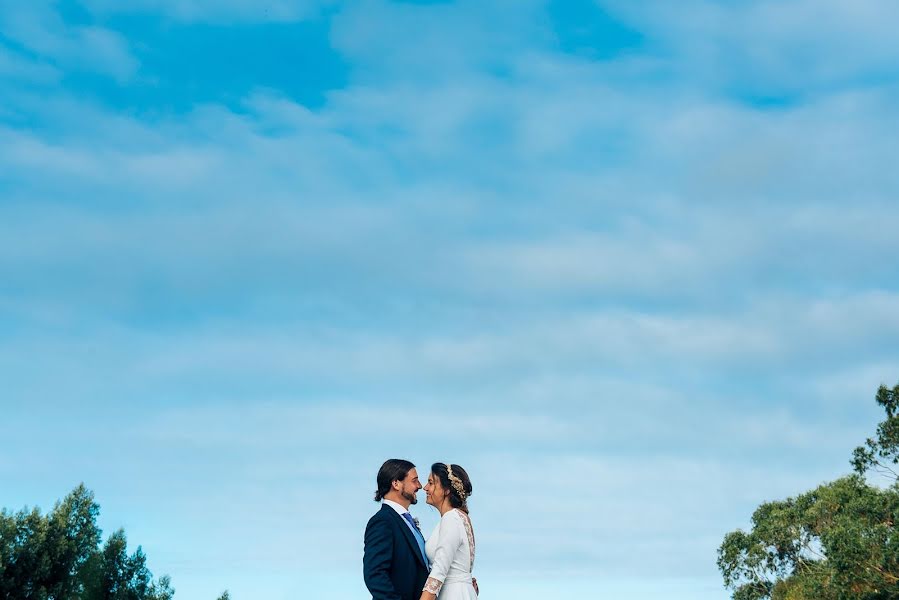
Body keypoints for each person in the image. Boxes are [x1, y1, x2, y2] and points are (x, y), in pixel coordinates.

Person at [363, 459, 430, 600]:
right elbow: (375, 574)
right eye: (414, 480)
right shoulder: (383, 521)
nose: (420, 486)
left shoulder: (406, 521)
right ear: (396, 484)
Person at [419, 463, 477, 600]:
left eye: (431, 483)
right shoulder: (461, 517)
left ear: (446, 490)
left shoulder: (451, 519)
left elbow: (438, 571)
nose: (425, 488)